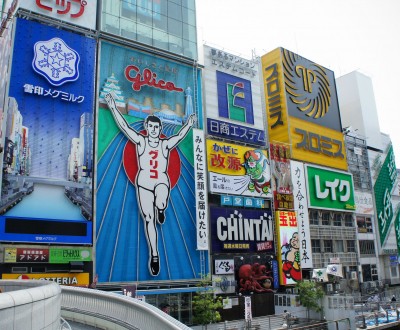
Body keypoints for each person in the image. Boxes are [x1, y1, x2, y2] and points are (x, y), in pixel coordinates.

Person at [105, 92, 195, 276]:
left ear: (160, 128)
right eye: (151, 126)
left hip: (161, 181)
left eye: (156, 126)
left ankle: (161, 209)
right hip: (144, 183)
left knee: (160, 203)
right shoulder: (141, 141)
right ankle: (154, 254)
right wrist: (113, 107)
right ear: (147, 126)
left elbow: (179, 136)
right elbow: (124, 126)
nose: (154, 129)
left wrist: (189, 124)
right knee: (148, 219)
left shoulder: (165, 144)